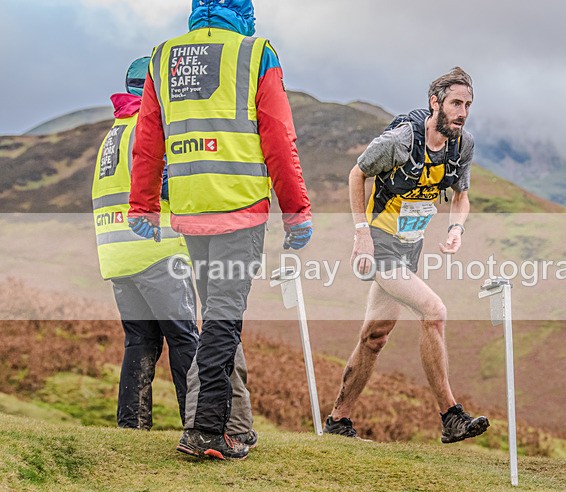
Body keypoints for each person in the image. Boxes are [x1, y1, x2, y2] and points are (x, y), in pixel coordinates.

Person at [128, 0, 312, 460]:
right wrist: (297, 211)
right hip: (240, 207)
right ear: (243, 11)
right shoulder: (256, 53)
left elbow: (148, 140)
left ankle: (228, 425)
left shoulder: (161, 56)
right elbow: (278, 138)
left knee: (216, 316)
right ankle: (207, 429)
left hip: (191, 209)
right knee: (224, 318)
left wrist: (144, 205)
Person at [325, 67, 490, 444]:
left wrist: (455, 229)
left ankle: (337, 421)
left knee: (375, 336)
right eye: (455, 103)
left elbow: (461, 196)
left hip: (409, 246)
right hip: (379, 248)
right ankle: (450, 415)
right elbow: (357, 173)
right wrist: (361, 232)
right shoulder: (400, 141)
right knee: (433, 312)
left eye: (468, 105)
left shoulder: (461, 146)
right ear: (435, 103)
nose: (462, 112)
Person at [92, 57, 198, 430]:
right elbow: (170, 184)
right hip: (158, 250)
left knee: (140, 341)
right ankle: (198, 424)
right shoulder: (150, 126)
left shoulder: (114, 133)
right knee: (186, 338)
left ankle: (132, 426)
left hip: (117, 254)